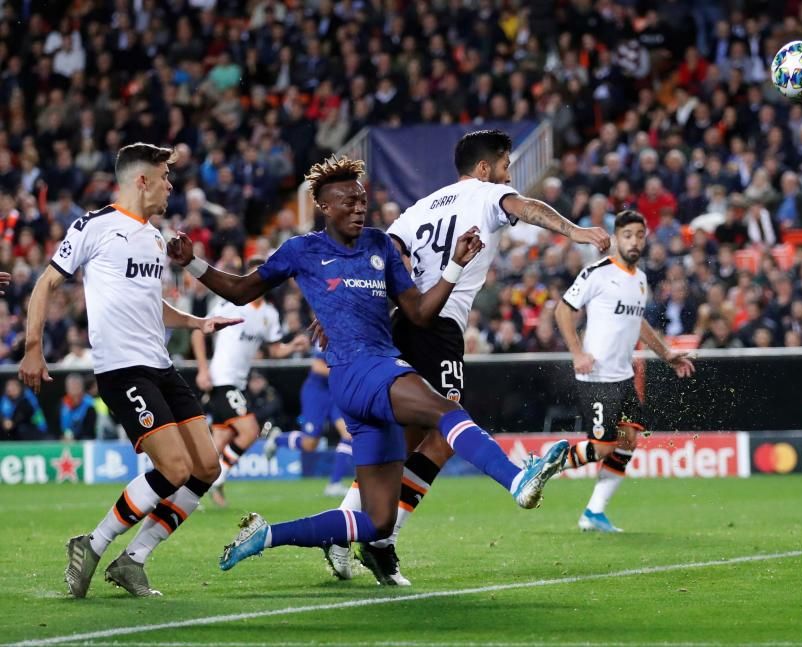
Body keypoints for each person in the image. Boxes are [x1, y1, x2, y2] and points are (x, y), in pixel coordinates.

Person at [167, 155, 570, 575]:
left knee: (377, 521)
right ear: (324, 206)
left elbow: (417, 313)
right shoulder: (302, 250)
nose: (359, 208)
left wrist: (454, 265)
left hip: (370, 377)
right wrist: (192, 264)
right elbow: (239, 289)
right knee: (447, 413)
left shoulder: (380, 244)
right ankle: (516, 479)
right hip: (360, 369)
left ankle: (266, 535)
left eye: (362, 201)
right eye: (348, 202)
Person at [329, 129, 610, 585]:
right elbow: (527, 208)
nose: (508, 177)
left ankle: (345, 531)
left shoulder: (419, 208)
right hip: (438, 329)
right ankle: (382, 541)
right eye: (505, 167)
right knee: (444, 433)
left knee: (402, 445)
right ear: (485, 169)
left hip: (402, 323)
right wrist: (576, 231)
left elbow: (387, 258)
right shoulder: (488, 195)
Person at [18, 143, 241, 598]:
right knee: (174, 467)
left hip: (161, 366)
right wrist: (32, 348)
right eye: (165, 177)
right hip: (122, 370)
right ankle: (92, 543)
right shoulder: (94, 226)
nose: (171, 187)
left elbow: (150, 303)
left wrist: (198, 322)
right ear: (142, 181)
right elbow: (46, 282)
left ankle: (134, 559)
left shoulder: (155, 238)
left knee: (206, 467)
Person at [554, 210, 695, 532]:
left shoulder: (641, 279)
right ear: (616, 238)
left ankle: (593, 512)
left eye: (639, 235)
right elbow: (562, 310)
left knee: (628, 440)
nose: (634, 241)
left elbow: (638, 322)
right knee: (602, 446)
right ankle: (550, 463)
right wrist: (577, 352)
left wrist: (667, 354)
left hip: (623, 375)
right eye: (627, 235)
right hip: (597, 375)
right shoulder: (598, 272)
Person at [191, 256, 311, 507]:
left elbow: (275, 351)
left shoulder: (268, 314)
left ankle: (188, 490)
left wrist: (293, 346)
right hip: (222, 379)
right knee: (250, 430)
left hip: (238, 383)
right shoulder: (230, 303)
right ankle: (217, 479)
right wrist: (203, 369)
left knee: (220, 441)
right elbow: (198, 332)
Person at [262, 348, 355, 498]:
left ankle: (334, 484)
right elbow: (317, 366)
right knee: (309, 444)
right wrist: (344, 376)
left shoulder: (359, 342)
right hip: (317, 394)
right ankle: (278, 439)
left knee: (349, 434)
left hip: (336, 394)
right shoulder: (335, 336)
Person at [60, 372, 97, 440]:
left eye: (76, 386)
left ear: (82, 387)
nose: (74, 389)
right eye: (71, 386)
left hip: (86, 440)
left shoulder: (90, 405)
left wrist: (74, 437)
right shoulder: (62, 404)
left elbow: (90, 431)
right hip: (65, 440)